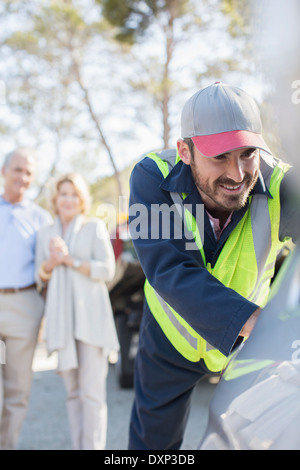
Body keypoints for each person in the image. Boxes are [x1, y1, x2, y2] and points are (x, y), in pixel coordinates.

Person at [127, 82, 300, 450]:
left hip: (249, 347)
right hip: (169, 341)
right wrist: (261, 322)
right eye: (220, 157)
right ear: (185, 151)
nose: (237, 175)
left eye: (247, 154)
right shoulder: (151, 177)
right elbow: (168, 271)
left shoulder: (282, 182)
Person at [35, 172, 119, 450]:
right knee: (72, 394)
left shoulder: (93, 227)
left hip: (91, 320)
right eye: (63, 194)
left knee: (92, 395)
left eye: (74, 194)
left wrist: (70, 260)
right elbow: (40, 275)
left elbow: (107, 270)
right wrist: (52, 262)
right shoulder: (45, 233)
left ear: (81, 199)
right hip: (62, 321)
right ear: (55, 199)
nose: (68, 199)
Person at [0, 147, 52, 450]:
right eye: (18, 169)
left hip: (25, 307)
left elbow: (46, 271)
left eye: (29, 172)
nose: (23, 177)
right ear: (4, 171)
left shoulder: (41, 219)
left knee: (17, 391)